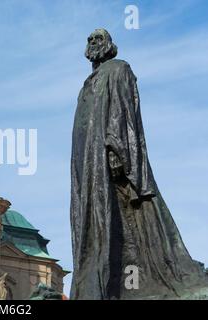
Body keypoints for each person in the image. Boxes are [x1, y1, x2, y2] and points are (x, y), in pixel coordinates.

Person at [70, 28, 208, 300]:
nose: (93, 43)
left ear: (109, 45)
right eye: (90, 40)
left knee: (126, 215)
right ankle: (98, 282)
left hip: (110, 157)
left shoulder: (118, 69)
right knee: (95, 219)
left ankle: (133, 281)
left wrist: (117, 151)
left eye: (99, 39)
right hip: (88, 164)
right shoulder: (89, 82)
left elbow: (123, 112)